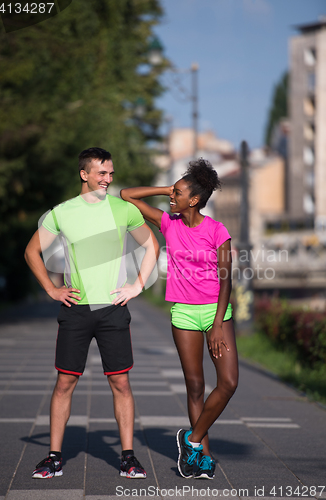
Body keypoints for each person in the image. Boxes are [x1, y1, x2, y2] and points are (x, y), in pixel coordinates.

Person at [24, 147, 159, 479]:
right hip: (76, 309)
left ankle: (128, 457)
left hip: (113, 308)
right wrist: (52, 290)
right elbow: (31, 251)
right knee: (64, 383)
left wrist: (137, 286)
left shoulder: (123, 209)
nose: (108, 179)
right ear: (84, 174)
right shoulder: (62, 212)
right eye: (102, 173)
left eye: (111, 173)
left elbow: (152, 246)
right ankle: (54, 456)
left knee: (121, 383)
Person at [120, 158, 238, 480]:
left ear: (195, 200)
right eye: (173, 190)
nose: (173, 195)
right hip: (183, 312)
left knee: (228, 383)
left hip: (217, 313)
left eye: (179, 191)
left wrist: (216, 325)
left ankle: (191, 439)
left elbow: (226, 279)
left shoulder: (217, 230)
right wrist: (165, 188)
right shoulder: (169, 223)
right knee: (196, 386)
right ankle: (202, 457)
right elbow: (126, 194)